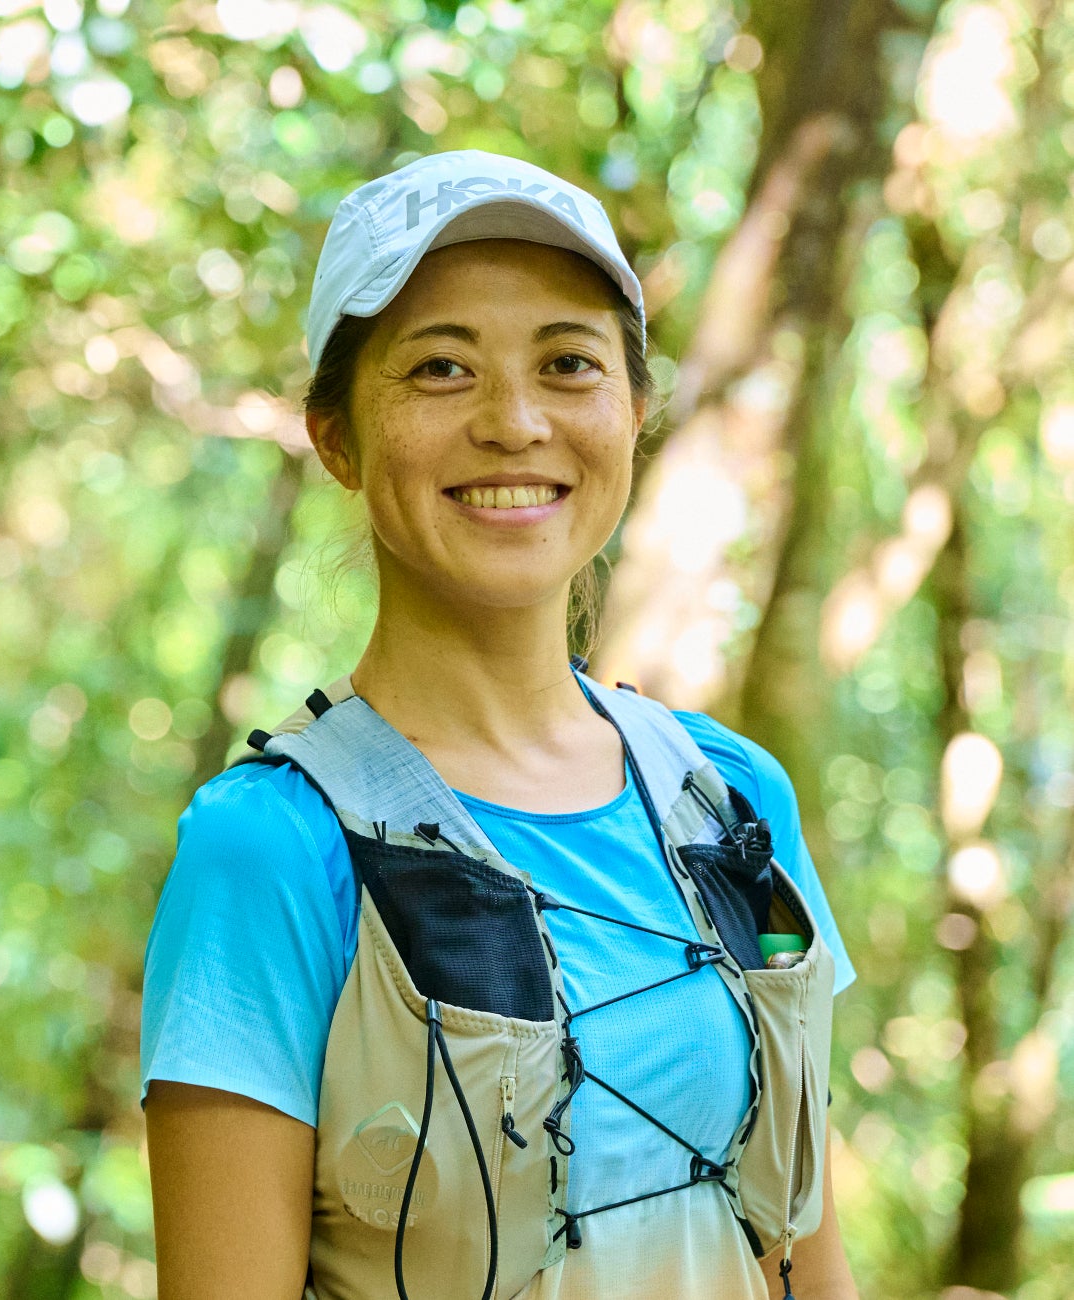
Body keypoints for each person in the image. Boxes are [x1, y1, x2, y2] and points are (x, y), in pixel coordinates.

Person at [139, 151, 862, 1300]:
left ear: (633, 409)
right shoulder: (272, 849)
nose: (515, 422)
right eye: (440, 368)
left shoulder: (730, 801)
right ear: (335, 434)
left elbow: (801, 1248)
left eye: (569, 363)